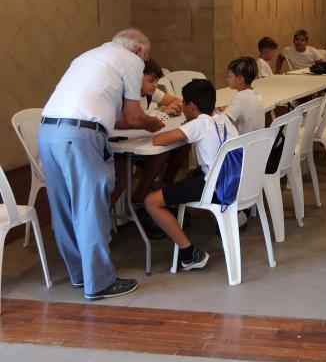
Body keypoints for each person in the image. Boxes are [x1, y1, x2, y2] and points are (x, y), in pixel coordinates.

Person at [38, 29, 164, 300]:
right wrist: (153, 123)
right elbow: (132, 116)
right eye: (145, 58)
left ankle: (80, 274)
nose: (143, 63)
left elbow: (108, 116)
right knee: (90, 207)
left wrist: (139, 121)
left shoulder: (89, 56)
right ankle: (100, 283)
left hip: (48, 131)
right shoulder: (131, 60)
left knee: (63, 209)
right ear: (138, 51)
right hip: (79, 137)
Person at [145, 79, 238, 271]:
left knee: (151, 201)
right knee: (189, 177)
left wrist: (187, 126)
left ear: (192, 106)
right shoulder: (222, 117)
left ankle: (189, 254)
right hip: (234, 181)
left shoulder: (199, 124)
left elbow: (159, 140)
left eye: (184, 103)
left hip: (214, 187)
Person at [110, 58, 188, 212]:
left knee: (182, 145)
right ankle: (140, 195)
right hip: (121, 143)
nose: (155, 85)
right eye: (151, 81)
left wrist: (176, 106)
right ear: (135, 79)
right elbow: (126, 122)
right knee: (161, 151)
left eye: (157, 81)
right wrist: (162, 113)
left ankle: (164, 188)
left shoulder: (150, 92)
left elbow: (175, 100)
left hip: (140, 139)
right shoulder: (124, 96)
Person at [223, 56, 264, 134]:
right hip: (258, 139)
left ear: (240, 79)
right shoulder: (257, 92)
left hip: (243, 140)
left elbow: (224, 121)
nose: (227, 79)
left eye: (229, 77)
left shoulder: (240, 97)